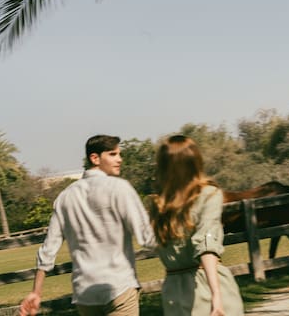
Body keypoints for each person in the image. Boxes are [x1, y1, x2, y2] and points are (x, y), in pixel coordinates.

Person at [20, 135, 155, 316]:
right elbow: (146, 238)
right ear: (95, 158)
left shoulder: (65, 197)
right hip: (119, 287)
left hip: (85, 294)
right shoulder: (120, 188)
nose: (119, 159)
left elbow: (48, 250)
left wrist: (36, 292)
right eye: (113, 154)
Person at [148, 135, 244, 316]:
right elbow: (206, 243)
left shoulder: (157, 204)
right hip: (203, 285)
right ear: (194, 162)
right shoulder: (208, 195)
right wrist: (216, 295)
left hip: (173, 292)